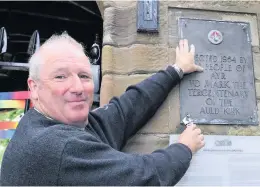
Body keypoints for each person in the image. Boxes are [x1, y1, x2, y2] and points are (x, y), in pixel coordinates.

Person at [0, 33, 205, 186]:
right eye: (60, 77)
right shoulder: (59, 147)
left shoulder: (44, 122)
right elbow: (142, 177)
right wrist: (185, 147)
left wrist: (176, 70)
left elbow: (125, 110)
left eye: (84, 76)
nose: (78, 88)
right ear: (34, 88)